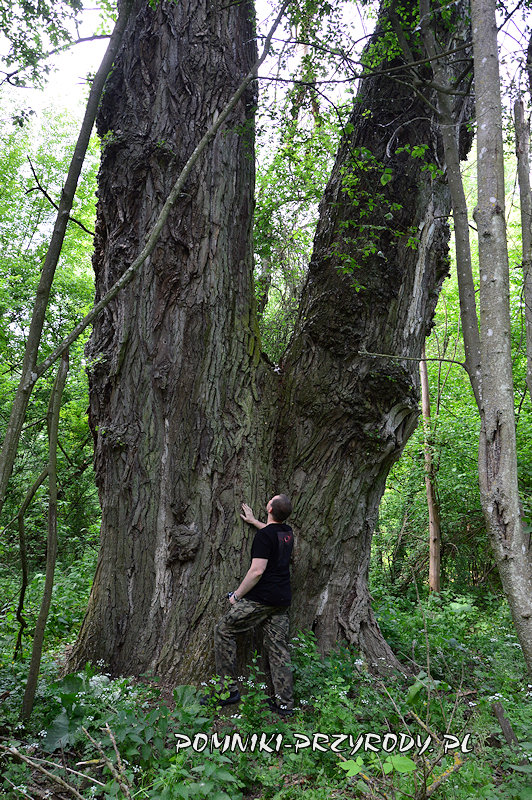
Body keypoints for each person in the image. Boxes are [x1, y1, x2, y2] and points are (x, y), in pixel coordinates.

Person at [204, 494, 295, 717]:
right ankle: (285, 705)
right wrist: (255, 522)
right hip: (282, 600)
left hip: (261, 600)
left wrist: (236, 596)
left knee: (224, 630)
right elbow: (271, 534)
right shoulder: (287, 533)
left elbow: (257, 571)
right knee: (278, 649)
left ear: (270, 508)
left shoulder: (265, 536)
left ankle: (228, 690)